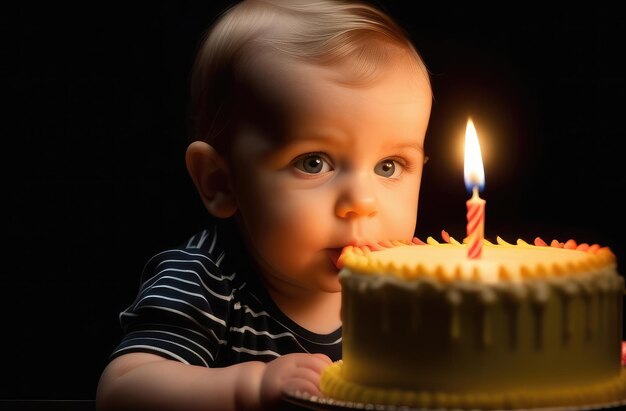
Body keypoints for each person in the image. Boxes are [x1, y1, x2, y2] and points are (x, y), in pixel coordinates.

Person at [96, 0, 432, 410]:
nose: (362, 202)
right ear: (221, 182)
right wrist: (250, 388)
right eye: (314, 163)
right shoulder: (205, 279)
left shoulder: (401, 289)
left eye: (389, 165)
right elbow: (121, 391)